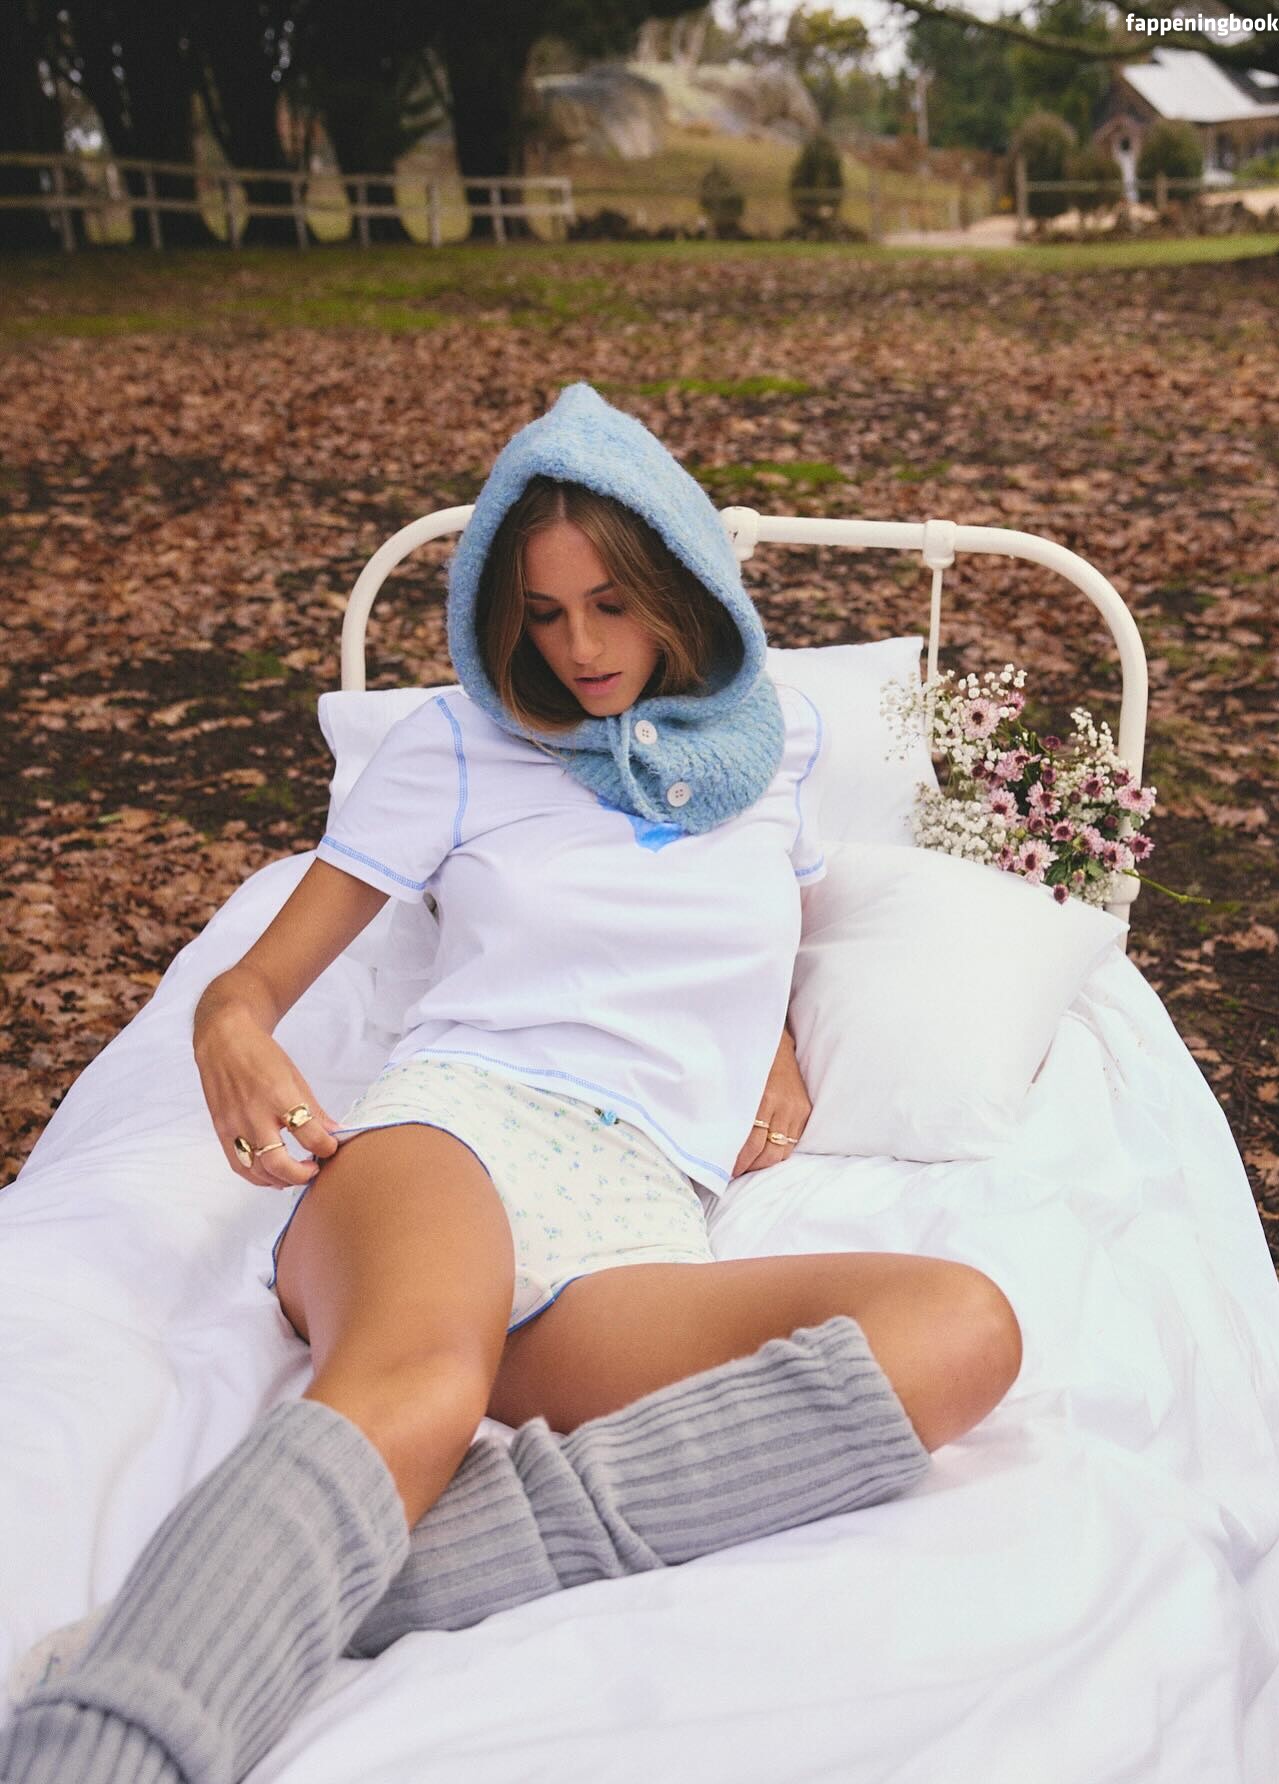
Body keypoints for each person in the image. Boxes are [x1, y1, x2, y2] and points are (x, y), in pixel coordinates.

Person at [0, 382, 1022, 1784]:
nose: (581, 648)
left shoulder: (775, 740)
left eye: (611, 604)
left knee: (959, 1335)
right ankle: (100, 1747)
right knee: (423, 1388)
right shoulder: (452, 745)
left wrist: (779, 1045)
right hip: (457, 1132)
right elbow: (255, 985)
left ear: (681, 591)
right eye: (542, 615)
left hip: (642, 1208)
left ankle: (256, 1605)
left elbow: (764, 921)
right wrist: (228, 1032)